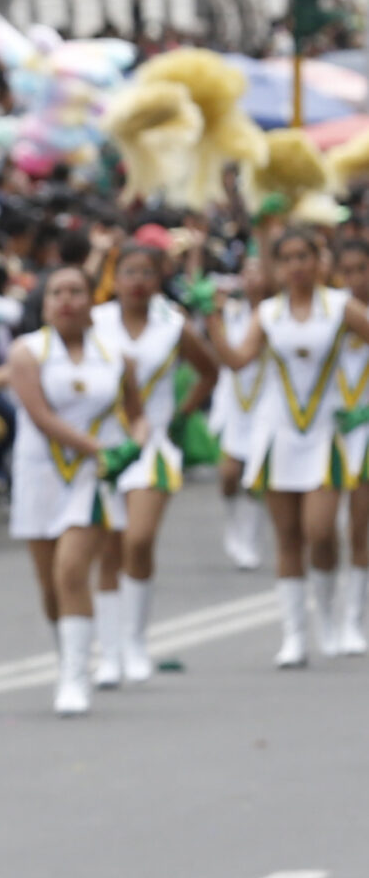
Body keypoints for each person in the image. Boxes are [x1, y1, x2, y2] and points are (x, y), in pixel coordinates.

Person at [208, 225, 369, 666]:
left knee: (321, 532)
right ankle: (294, 636)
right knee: (288, 538)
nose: (297, 266)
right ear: (278, 267)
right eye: (289, 259)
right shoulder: (269, 315)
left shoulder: (339, 307)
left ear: (319, 262)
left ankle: (332, 621)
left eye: (305, 257)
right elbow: (239, 361)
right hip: (277, 433)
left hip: (325, 434)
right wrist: (212, 324)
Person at [7, 265, 144, 716]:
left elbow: (136, 414)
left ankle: (74, 677)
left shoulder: (115, 355)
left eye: (76, 291)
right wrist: (100, 449)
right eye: (57, 292)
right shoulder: (27, 352)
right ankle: (69, 655)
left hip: (90, 480)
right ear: (45, 303)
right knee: (49, 586)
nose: (66, 299)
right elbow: (42, 416)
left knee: (71, 572)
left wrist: (134, 446)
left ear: (91, 299)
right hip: (41, 473)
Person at [89, 241, 217, 685]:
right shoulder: (96, 321)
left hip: (155, 444)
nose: (138, 282)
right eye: (129, 272)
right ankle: (108, 653)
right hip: (105, 445)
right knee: (108, 549)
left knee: (138, 541)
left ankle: (135, 642)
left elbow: (209, 370)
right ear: (116, 276)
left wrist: (183, 416)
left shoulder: (172, 323)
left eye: (147, 272)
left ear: (159, 278)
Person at [207, 251, 269, 571]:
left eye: (259, 272)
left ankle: (250, 539)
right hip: (236, 399)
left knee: (254, 479)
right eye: (247, 272)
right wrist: (213, 317)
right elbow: (225, 358)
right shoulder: (231, 312)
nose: (252, 278)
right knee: (229, 475)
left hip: (266, 401)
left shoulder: (277, 312)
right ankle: (233, 526)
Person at [333, 232, 369, 654]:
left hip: (366, 429)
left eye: (362, 270)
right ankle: (327, 615)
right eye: (345, 271)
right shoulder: (326, 314)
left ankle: (352, 619)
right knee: (322, 530)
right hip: (327, 430)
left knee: (360, 526)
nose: (354, 279)